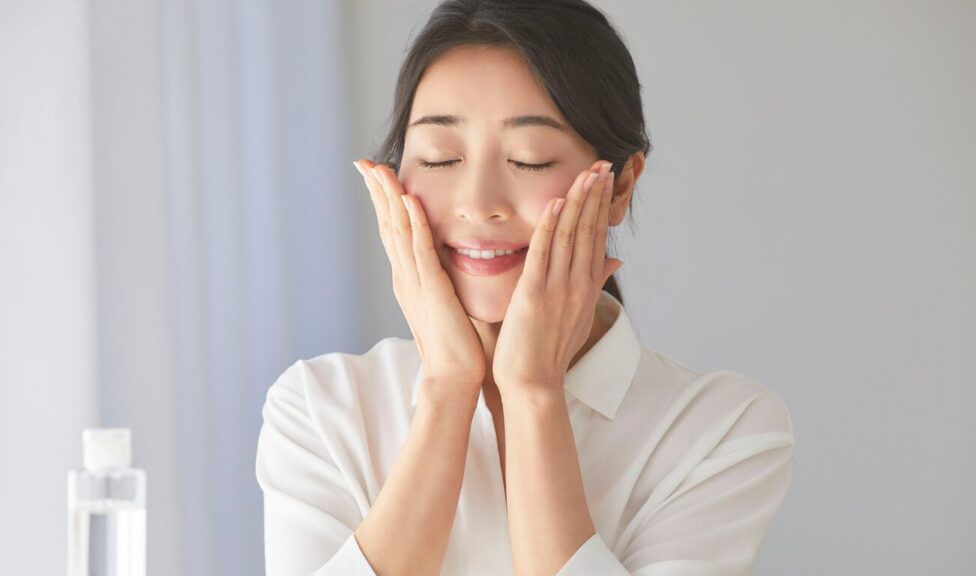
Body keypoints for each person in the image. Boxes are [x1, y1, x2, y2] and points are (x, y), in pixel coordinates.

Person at [256, 1, 795, 574]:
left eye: (529, 160)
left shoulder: (718, 429)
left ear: (620, 187)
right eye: (440, 160)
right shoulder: (322, 408)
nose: (478, 204)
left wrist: (534, 392)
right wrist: (446, 390)